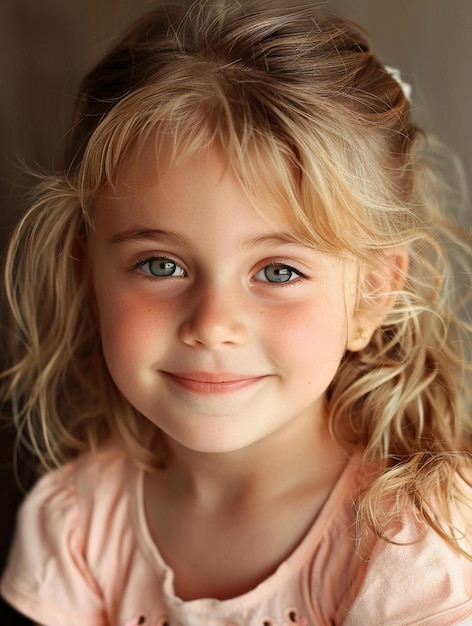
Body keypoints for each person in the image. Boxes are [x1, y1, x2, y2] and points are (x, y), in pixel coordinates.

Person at [1, 1, 472, 624]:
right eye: (160, 265)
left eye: (279, 272)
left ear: (371, 296)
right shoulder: (76, 521)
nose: (213, 324)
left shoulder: (420, 539)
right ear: (87, 272)